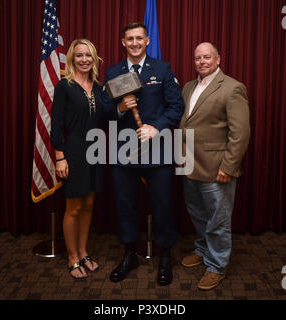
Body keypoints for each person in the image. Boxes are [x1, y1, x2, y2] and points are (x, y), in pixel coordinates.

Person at [102, 22, 185, 286]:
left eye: (139, 38)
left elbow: (176, 106)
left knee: (163, 205)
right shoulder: (113, 72)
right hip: (124, 152)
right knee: (125, 206)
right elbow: (104, 112)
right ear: (123, 42)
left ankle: (165, 257)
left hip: (157, 150)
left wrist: (155, 127)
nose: (135, 42)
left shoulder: (162, 69)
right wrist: (120, 108)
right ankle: (129, 254)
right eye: (130, 39)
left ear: (147, 41)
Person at [179, 42, 250, 290]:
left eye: (207, 57)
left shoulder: (232, 88)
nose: (202, 62)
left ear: (218, 59)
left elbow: (240, 133)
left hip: (216, 168)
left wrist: (228, 167)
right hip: (188, 165)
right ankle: (203, 250)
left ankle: (217, 266)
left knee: (218, 219)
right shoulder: (188, 87)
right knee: (198, 214)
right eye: (197, 58)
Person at [50, 39, 104, 280]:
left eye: (88, 55)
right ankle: (72, 257)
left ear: (94, 58)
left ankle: (83, 251)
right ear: (72, 59)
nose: (84, 59)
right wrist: (60, 157)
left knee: (89, 204)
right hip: (73, 150)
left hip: (97, 149)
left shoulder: (100, 87)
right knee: (74, 207)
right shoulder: (65, 86)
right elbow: (55, 126)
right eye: (79, 55)